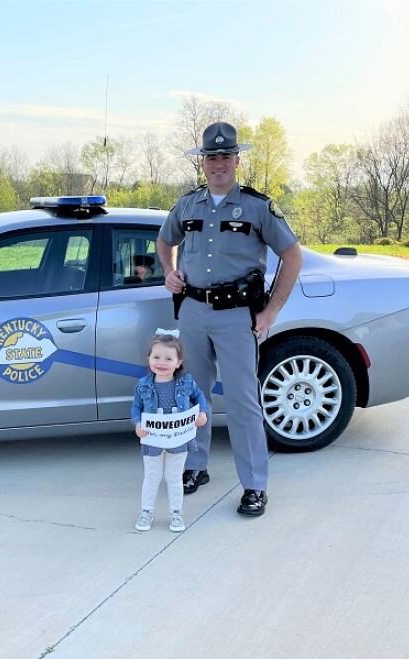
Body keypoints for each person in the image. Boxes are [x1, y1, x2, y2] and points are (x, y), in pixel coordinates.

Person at [156, 121, 303, 517]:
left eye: (225, 156)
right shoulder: (188, 205)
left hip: (237, 316)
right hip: (192, 312)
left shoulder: (256, 206)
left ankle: (254, 485)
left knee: (242, 403)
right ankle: (195, 466)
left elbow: (293, 256)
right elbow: (164, 240)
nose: (218, 164)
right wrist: (168, 270)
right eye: (211, 158)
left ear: (237, 159)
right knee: (194, 396)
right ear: (202, 163)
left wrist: (271, 311)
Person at [131, 331, 210, 532]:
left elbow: (200, 396)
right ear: (148, 358)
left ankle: (176, 513)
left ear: (178, 362)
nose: (161, 362)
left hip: (178, 438)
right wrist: (138, 424)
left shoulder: (185, 382)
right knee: (151, 477)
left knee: (174, 478)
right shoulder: (143, 385)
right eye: (156, 357)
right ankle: (146, 511)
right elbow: (136, 407)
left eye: (168, 358)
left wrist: (202, 413)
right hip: (152, 439)